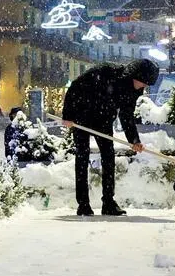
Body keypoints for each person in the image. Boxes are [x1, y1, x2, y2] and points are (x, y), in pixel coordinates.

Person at [62, 58, 160, 217]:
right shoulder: (105, 71)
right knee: (82, 157)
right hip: (81, 117)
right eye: (144, 83)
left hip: (103, 120)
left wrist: (134, 140)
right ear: (135, 75)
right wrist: (67, 115)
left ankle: (108, 202)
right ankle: (83, 204)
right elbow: (74, 87)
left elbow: (126, 115)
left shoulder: (135, 89)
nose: (144, 87)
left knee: (108, 157)